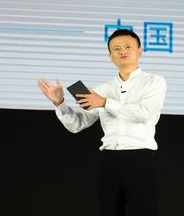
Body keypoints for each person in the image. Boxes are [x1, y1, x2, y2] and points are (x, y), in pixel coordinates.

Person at [37, 29, 167, 216]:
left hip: (140, 158)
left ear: (139, 51)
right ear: (110, 56)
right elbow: (77, 124)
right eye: (116, 49)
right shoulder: (102, 89)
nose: (122, 51)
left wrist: (105, 102)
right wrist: (60, 103)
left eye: (128, 47)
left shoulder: (154, 82)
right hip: (109, 160)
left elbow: (144, 113)